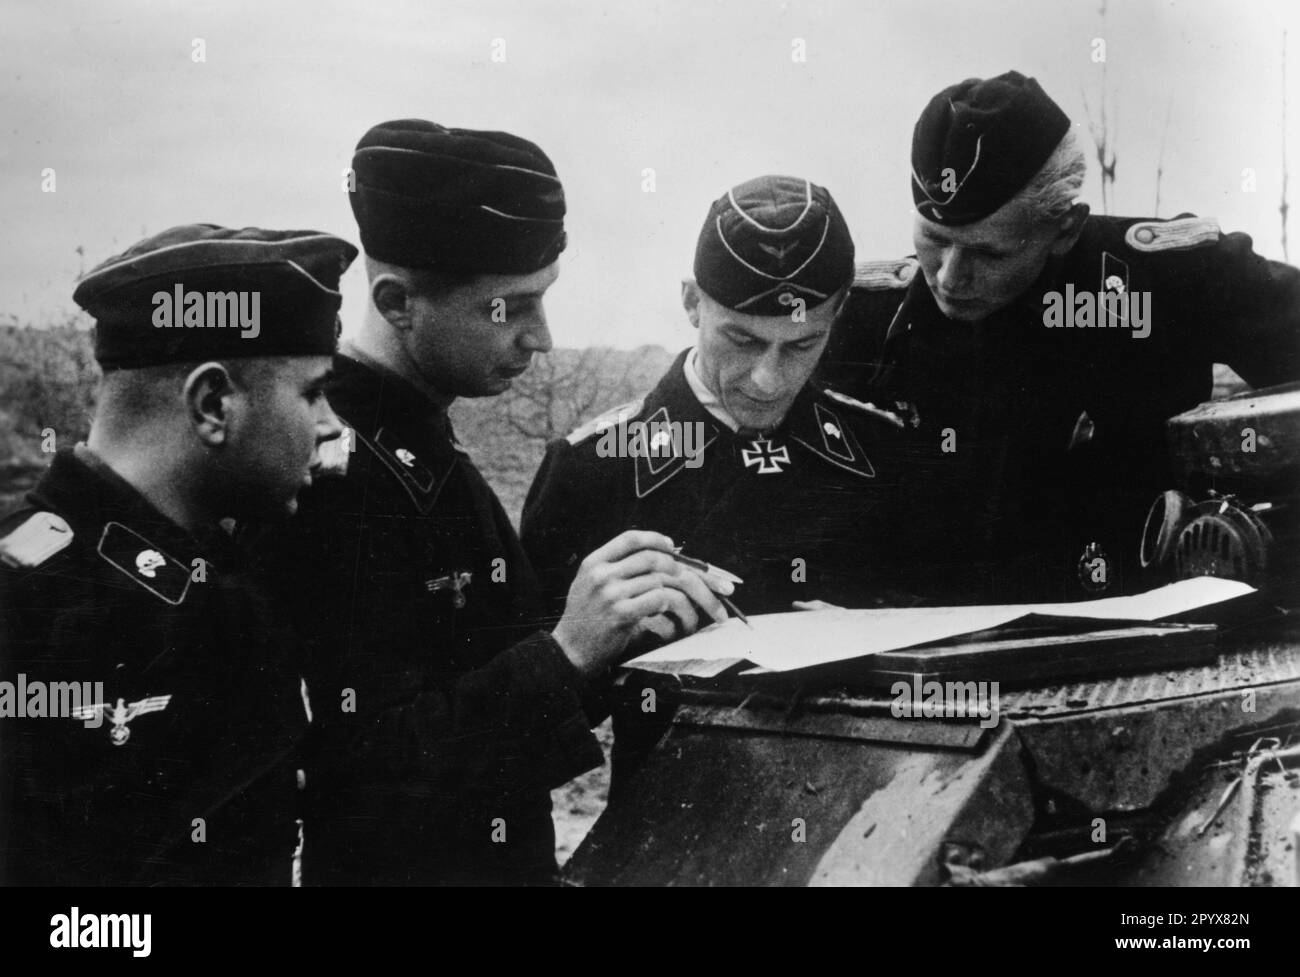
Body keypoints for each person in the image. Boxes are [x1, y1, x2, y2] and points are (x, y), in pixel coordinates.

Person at [252, 119, 728, 886]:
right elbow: (360, 770)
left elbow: (489, 708)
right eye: (510, 307)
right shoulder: (332, 475)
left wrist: (623, 633)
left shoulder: (425, 444)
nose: (541, 337)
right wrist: (566, 651)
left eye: (544, 300)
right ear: (398, 301)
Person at [821, 70, 1300, 604]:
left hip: (1158, 632)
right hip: (924, 650)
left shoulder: (1165, 277)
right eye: (933, 240)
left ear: (1065, 228)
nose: (950, 277)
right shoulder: (864, 319)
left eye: (989, 253)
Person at [521, 174, 908, 785]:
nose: (768, 380)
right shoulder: (592, 467)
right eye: (742, 339)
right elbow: (526, 738)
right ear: (691, 302)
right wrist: (599, 646)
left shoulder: (886, 451)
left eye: (803, 345)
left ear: (839, 314)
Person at [0, 224, 356, 885]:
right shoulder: (24, 607)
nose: (333, 425)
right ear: (213, 403)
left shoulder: (228, 581)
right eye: (312, 391)